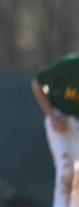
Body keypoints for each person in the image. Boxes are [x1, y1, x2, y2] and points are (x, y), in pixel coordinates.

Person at [31, 52, 79, 207]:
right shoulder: (68, 66)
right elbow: (37, 83)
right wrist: (51, 116)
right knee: (67, 170)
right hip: (61, 118)